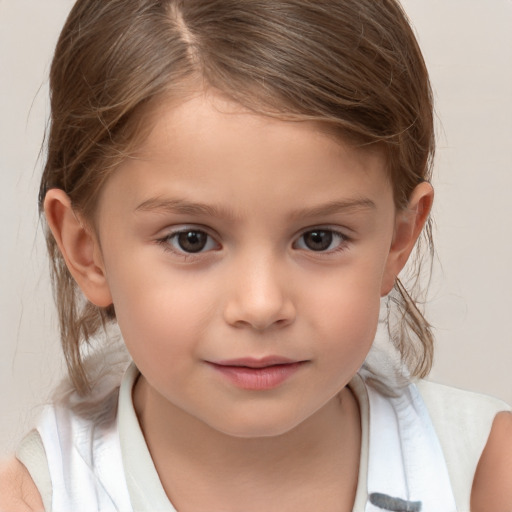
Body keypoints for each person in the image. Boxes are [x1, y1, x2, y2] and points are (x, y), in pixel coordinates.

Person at [1, 0, 511, 510]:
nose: (262, 304)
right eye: (191, 240)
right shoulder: (36, 497)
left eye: (319, 238)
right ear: (87, 251)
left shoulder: (482, 472)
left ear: (398, 240)